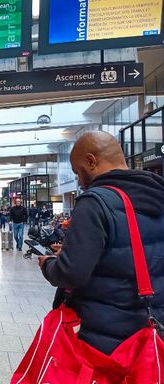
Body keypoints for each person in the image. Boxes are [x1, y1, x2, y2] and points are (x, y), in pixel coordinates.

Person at [38, 131, 164, 355]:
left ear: (91, 161)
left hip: (106, 335)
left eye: (78, 171)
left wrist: (49, 264)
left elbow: (71, 273)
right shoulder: (157, 194)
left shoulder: (95, 202)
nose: (78, 180)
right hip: (151, 328)